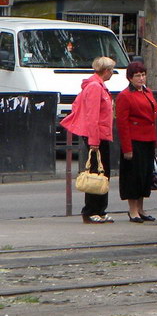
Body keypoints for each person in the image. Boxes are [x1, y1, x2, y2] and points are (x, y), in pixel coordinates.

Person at [60, 56, 116, 224]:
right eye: (112, 70)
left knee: (102, 172)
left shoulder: (98, 86)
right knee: (96, 173)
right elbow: (92, 115)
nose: (112, 73)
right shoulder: (94, 87)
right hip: (97, 136)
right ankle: (91, 210)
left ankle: (100, 209)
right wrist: (94, 140)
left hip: (101, 134)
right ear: (106, 71)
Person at [116, 61, 157, 223]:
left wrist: (154, 142)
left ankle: (141, 209)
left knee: (145, 176)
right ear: (130, 78)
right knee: (133, 176)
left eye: (143, 75)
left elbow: (152, 117)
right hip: (134, 141)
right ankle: (132, 210)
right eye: (137, 76)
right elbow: (122, 123)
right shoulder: (125, 96)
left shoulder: (148, 92)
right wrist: (127, 148)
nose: (141, 78)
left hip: (148, 139)